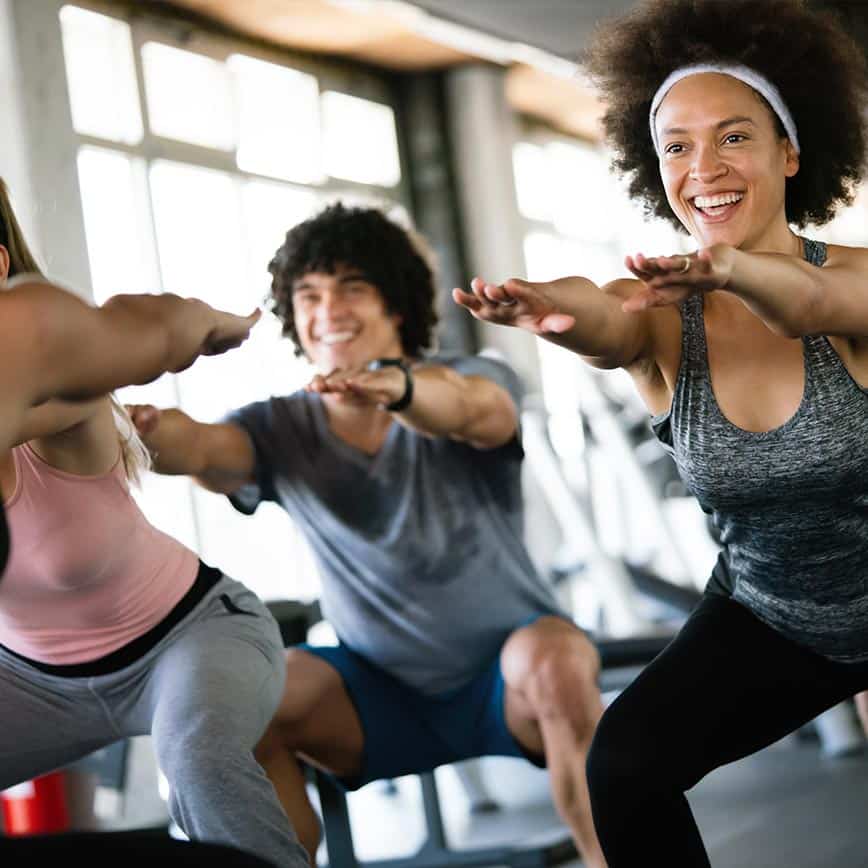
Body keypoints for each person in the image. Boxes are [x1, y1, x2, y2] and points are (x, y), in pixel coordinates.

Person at [453, 0, 868, 864]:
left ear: (791, 151)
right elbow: (601, 312)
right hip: (774, 614)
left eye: (733, 137)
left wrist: (737, 270)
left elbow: (811, 303)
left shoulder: (854, 284)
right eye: (676, 144)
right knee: (626, 763)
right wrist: (546, 308)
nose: (702, 166)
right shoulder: (661, 313)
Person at [127, 202, 607, 868]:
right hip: (375, 698)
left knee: (557, 662)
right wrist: (140, 427)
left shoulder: (470, 377)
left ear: (396, 306)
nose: (330, 309)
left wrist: (399, 391)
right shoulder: (278, 427)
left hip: (511, 679)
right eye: (310, 294)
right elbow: (205, 449)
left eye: (353, 287)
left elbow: (476, 412)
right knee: (240, 710)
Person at [0, 181, 308, 868]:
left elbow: (145, 325)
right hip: (28, 679)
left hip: (192, 636)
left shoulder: (63, 407)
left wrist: (212, 323)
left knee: (199, 763)